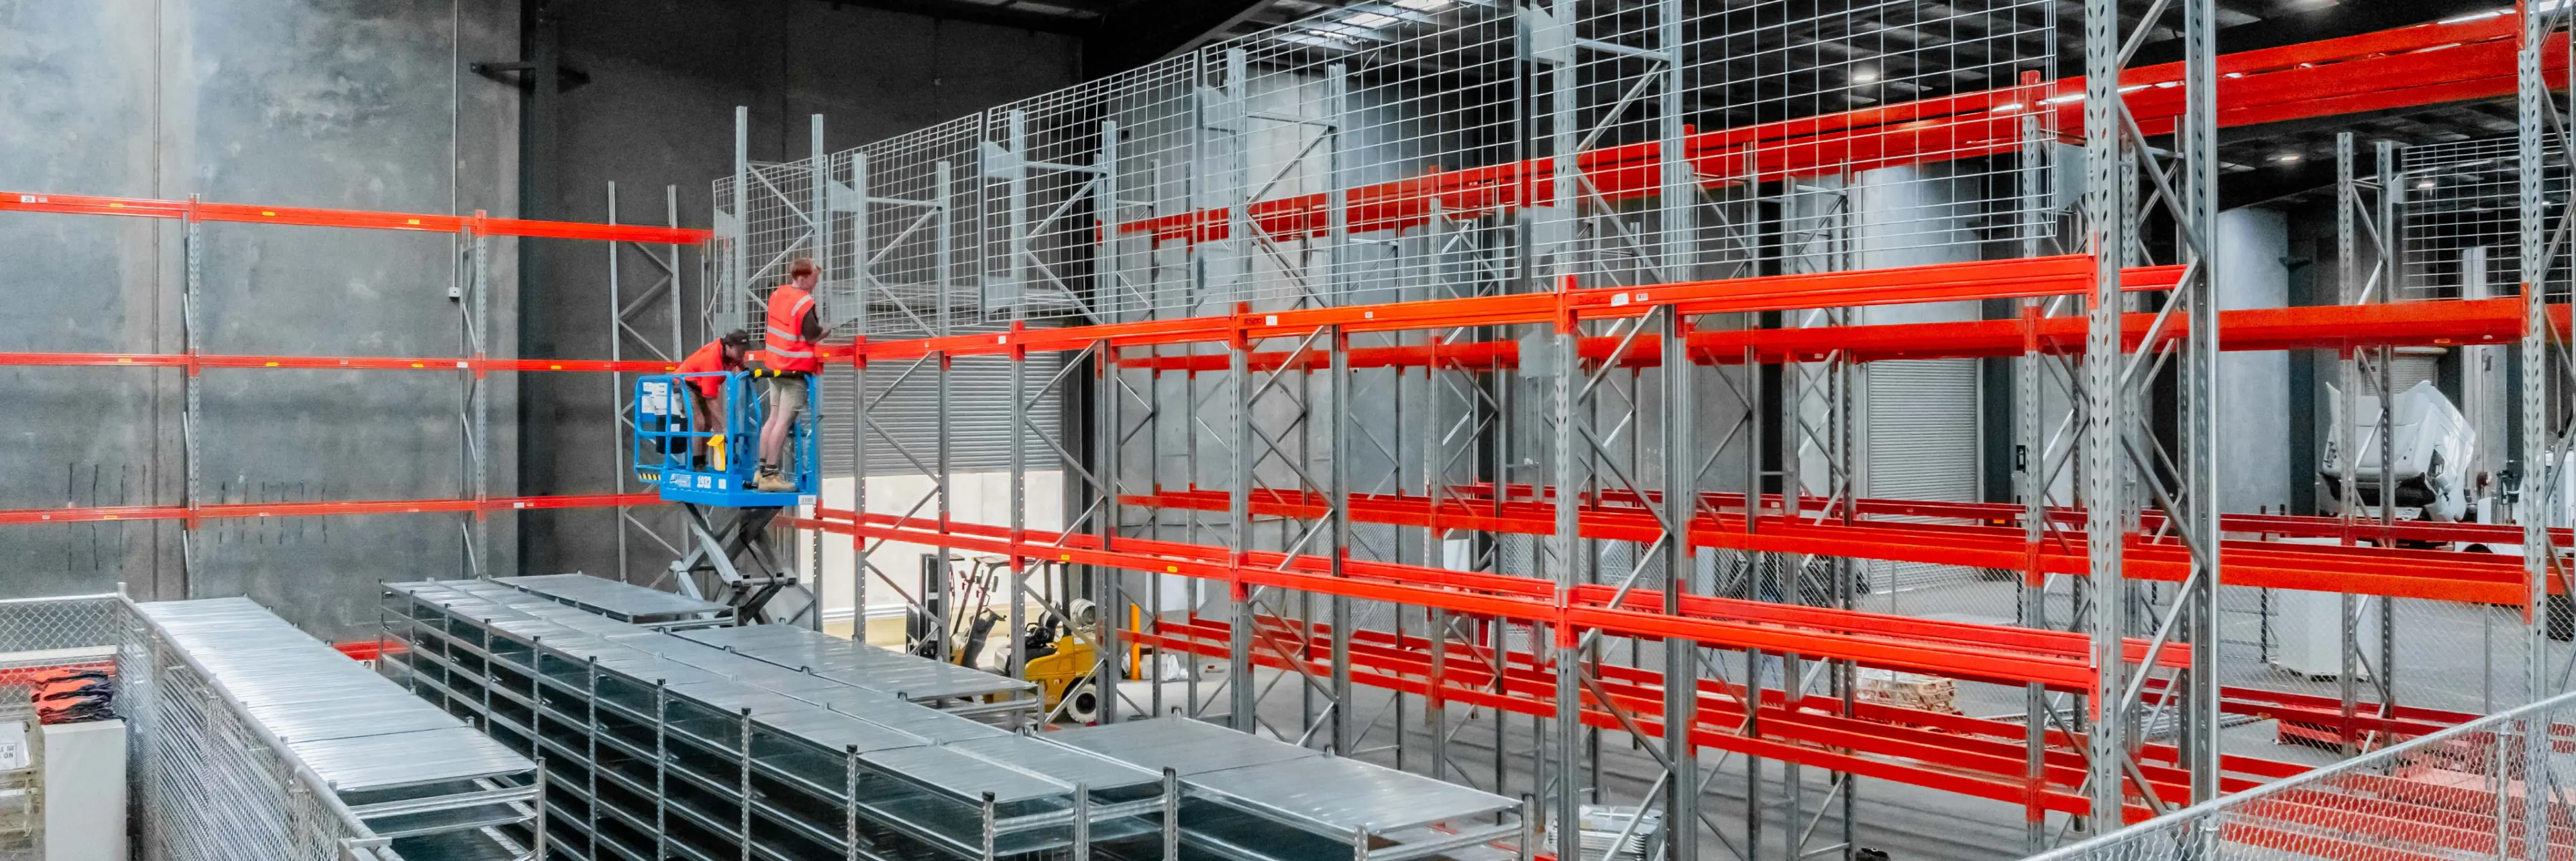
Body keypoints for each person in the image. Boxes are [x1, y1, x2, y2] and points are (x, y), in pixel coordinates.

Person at [756, 258, 825, 491]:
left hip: (774, 366)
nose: (816, 283)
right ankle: (771, 477)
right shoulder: (804, 302)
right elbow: (812, 336)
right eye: (815, 278)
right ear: (803, 278)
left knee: (772, 419)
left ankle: (761, 470)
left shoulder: (778, 294)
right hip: (794, 369)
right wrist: (827, 329)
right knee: (782, 423)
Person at [673, 329, 752, 467]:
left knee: (708, 424)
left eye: (745, 349)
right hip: (685, 383)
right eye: (740, 349)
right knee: (700, 423)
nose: (743, 353)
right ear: (728, 347)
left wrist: (745, 370)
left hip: (700, 385)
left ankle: (702, 461)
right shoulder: (713, 361)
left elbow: (738, 361)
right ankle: (697, 464)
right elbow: (710, 397)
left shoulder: (733, 355)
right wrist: (725, 427)